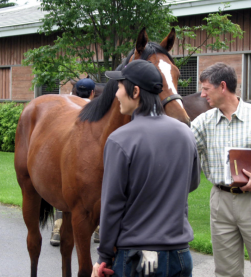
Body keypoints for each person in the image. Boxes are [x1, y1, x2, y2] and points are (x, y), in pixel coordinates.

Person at [91, 59, 200, 277]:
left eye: (120, 87)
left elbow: (112, 203)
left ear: (136, 91)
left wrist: (104, 257)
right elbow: (192, 183)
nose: (116, 94)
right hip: (179, 255)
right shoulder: (186, 133)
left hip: (136, 260)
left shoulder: (120, 139)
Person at [191, 62, 251, 277]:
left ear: (222, 86)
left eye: (206, 89)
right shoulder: (203, 123)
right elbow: (181, 148)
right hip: (220, 202)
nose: (202, 95)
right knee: (226, 272)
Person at [50, 77, 97, 246]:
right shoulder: (97, 113)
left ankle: (57, 229)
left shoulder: (69, 113)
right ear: (92, 93)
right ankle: (98, 229)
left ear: (75, 92)